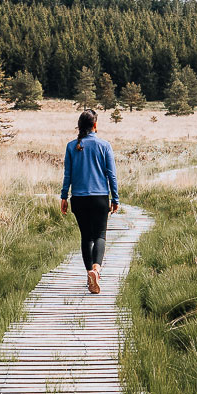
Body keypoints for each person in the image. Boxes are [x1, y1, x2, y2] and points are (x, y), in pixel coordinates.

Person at [60, 109, 120, 294]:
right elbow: (111, 174)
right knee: (100, 235)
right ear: (95, 125)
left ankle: (89, 276)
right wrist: (115, 198)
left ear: (80, 126)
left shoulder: (72, 146)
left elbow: (67, 175)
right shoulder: (104, 145)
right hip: (100, 198)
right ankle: (96, 270)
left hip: (78, 198)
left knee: (86, 237)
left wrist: (64, 196)